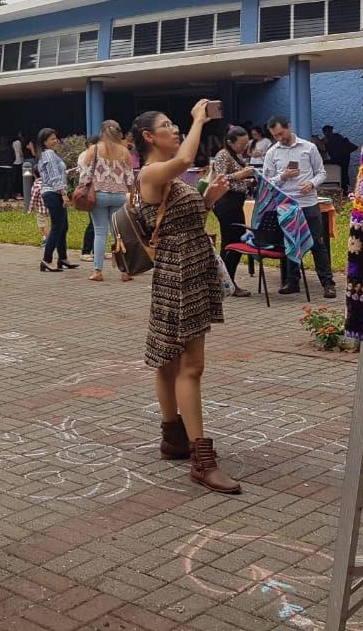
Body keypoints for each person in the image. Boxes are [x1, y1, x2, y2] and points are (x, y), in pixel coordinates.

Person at [133, 101, 241, 494]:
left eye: (178, 124)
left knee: (170, 359)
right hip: (178, 272)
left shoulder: (173, 182)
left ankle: (173, 438)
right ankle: (202, 460)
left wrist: (208, 199)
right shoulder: (151, 172)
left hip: (188, 269)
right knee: (189, 365)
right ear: (148, 137)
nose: (175, 128)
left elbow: (184, 216)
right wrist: (199, 120)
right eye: (167, 125)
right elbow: (184, 160)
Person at [264, 115, 337, 300]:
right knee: (290, 242)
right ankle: (292, 281)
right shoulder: (272, 152)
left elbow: (321, 172)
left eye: (281, 133)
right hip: (286, 205)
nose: (279, 138)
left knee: (317, 243)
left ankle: (328, 282)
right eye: (275, 135)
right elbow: (267, 182)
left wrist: (312, 184)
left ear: (289, 126)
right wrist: (283, 176)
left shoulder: (308, 147)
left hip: (308, 203)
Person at [78, 120, 137, 281]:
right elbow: (130, 179)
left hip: (98, 195)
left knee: (99, 232)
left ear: (102, 133)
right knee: (119, 233)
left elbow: (85, 175)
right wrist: (134, 198)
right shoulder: (124, 152)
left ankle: (98, 271)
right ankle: (125, 271)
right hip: (119, 196)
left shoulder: (94, 149)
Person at [210, 126, 256, 297]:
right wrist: (241, 174)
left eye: (246, 144)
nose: (243, 148)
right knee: (231, 242)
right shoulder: (223, 155)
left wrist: (248, 181)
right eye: (241, 144)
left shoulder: (236, 155)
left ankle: (226, 281)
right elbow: (219, 178)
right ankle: (226, 283)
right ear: (230, 142)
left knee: (237, 239)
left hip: (237, 201)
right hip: (226, 202)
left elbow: (237, 178)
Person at [36, 128, 75, 272]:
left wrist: (69, 172)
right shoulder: (49, 154)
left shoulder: (47, 155)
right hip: (54, 194)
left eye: (55, 138)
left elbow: (55, 174)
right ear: (44, 142)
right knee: (57, 227)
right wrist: (64, 194)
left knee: (63, 227)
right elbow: (53, 177)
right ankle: (47, 260)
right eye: (52, 139)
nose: (55, 141)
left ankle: (63, 258)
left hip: (53, 192)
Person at [320, 124, 355, 195]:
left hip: (342, 158)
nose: (326, 133)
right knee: (344, 173)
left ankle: (345, 189)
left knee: (343, 173)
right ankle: (345, 189)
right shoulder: (336, 137)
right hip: (342, 158)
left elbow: (325, 150)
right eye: (325, 132)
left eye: (327, 132)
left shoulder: (335, 137)